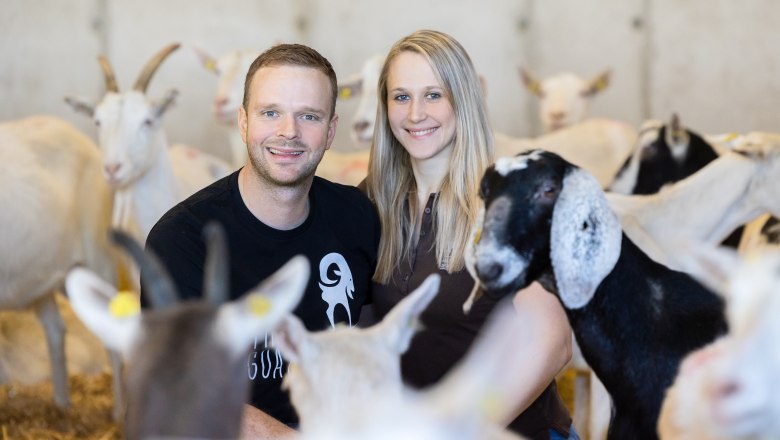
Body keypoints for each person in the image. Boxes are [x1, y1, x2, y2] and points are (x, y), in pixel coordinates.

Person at [144, 43, 380, 438]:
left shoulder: (357, 217)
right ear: (243, 122)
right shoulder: (181, 240)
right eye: (271, 113)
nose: (289, 132)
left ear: (331, 131)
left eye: (309, 116)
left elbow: (372, 343)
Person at [361, 29, 578, 440]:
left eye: (434, 95)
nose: (415, 114)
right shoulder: (370, 202)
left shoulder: (510, 205)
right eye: (401, 97)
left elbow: (553, 345)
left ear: (463, 100)